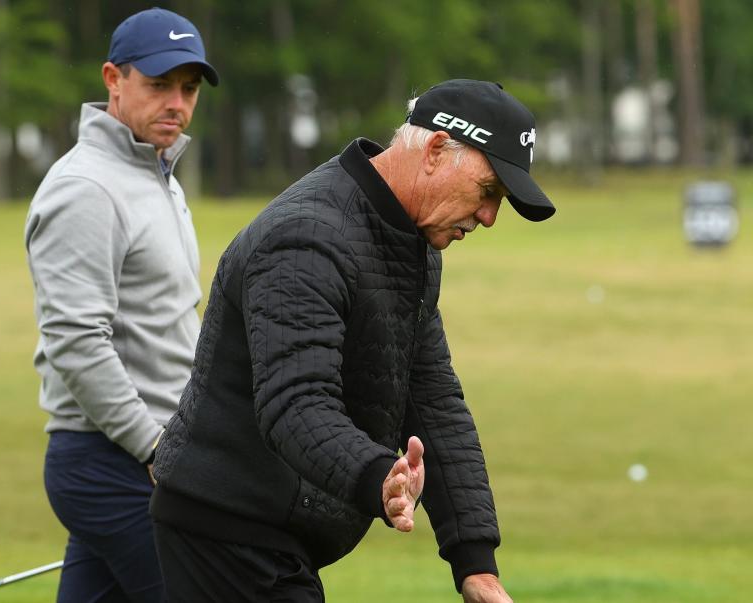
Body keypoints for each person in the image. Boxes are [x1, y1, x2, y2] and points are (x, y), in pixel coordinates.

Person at [151, 79, 555, 602]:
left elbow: (431, 399)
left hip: (273, 533)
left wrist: (474, 560)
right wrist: (375, 476)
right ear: (435, 150)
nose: (489, 217)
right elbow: (295, 403)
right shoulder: (306, 240)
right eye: (487, 192)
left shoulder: (410, 241)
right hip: (226, 529)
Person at [23, 7, 218, 603]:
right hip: (113, 461)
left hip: (147, 455)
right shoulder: (87, 189)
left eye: (187, 89)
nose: (176, 104)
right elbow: (77, 341)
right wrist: (157, 449)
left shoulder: (157, 174)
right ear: (113, 78)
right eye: (158, 85)